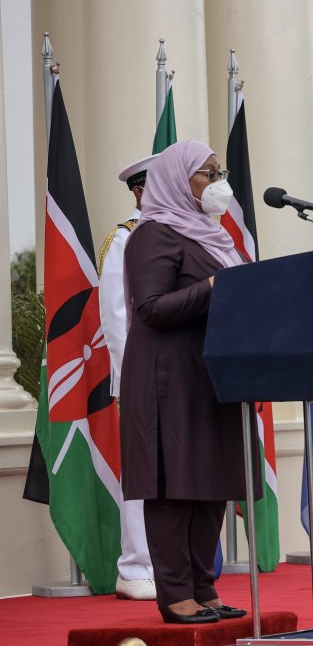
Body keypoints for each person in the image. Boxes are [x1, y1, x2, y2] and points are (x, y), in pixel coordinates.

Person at [120, 140, 258, 624]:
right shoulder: (154, 235)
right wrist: (213, 288)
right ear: (179, 181)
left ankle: (204, 587)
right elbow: (150, 309)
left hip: (213, 377)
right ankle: (175, 593)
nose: (219, 184)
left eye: (219, 173)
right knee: (174, 487)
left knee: (210, 484)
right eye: (207, 173)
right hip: (168, 380)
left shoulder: (211, 237)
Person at [98, 154, 158, 601]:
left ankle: (173, 563)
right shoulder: (126, 238)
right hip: (143, 374)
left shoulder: (182, 232)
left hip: (180, 375)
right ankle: (135, 567)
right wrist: (133, 376)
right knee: (141, 473)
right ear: (140, 191)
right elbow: (117, 317)